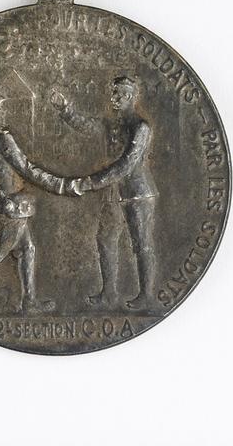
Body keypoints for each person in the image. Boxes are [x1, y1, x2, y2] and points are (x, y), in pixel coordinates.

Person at [0, 87, 80, 315]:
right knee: (22, 249)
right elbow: (26, 168)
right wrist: (59, 184)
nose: (2, 111)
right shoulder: (1, 138)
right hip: (6, 203)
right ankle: (25, 301)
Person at [51, 76, 158, 310]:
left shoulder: (140, 127)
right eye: (113, 92)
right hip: (113, 192)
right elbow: (87, 126)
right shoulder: (113, 124)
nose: (113, 97)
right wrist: (65, 109)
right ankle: (109, 294)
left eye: (117, 93)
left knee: (141, 243)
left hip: (137, 193)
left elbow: (126, 165)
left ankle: (147, 295)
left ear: (128, 96)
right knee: (106, 240)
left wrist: (90, 183)